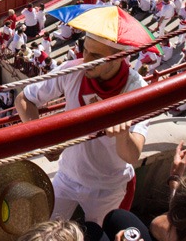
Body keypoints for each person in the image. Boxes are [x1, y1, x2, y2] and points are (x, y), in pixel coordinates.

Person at [15, 31, 148, 224]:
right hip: (68, 176)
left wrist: (123, 135)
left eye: (95, 56)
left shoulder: (137, 90)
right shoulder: (73, 70)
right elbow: (24, 99)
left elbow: (132, 155)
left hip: (107, 187)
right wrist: (45, 140)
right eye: (84, 49)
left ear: (118, 57)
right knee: (43, 230)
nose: (85, 59)